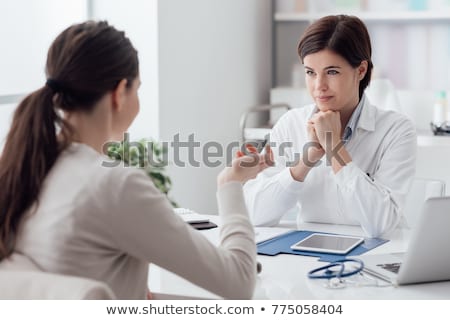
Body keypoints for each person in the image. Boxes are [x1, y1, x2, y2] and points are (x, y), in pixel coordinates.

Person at [0, 21, 268, 299]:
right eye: (137, 89)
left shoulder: (24, 166)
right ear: (119, 93)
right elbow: (239, 282)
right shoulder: (114, 184)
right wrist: (230, 183)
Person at [243, 15, 417, 238]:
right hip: (308, 253)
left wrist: (334, 147)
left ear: (361, 70)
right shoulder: (290, 123)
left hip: (377, 255)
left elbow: (380, 224)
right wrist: (307, 159)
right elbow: (256, 214)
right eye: (310, 72)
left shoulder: (397, 130)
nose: (319, 86)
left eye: (332, 72)